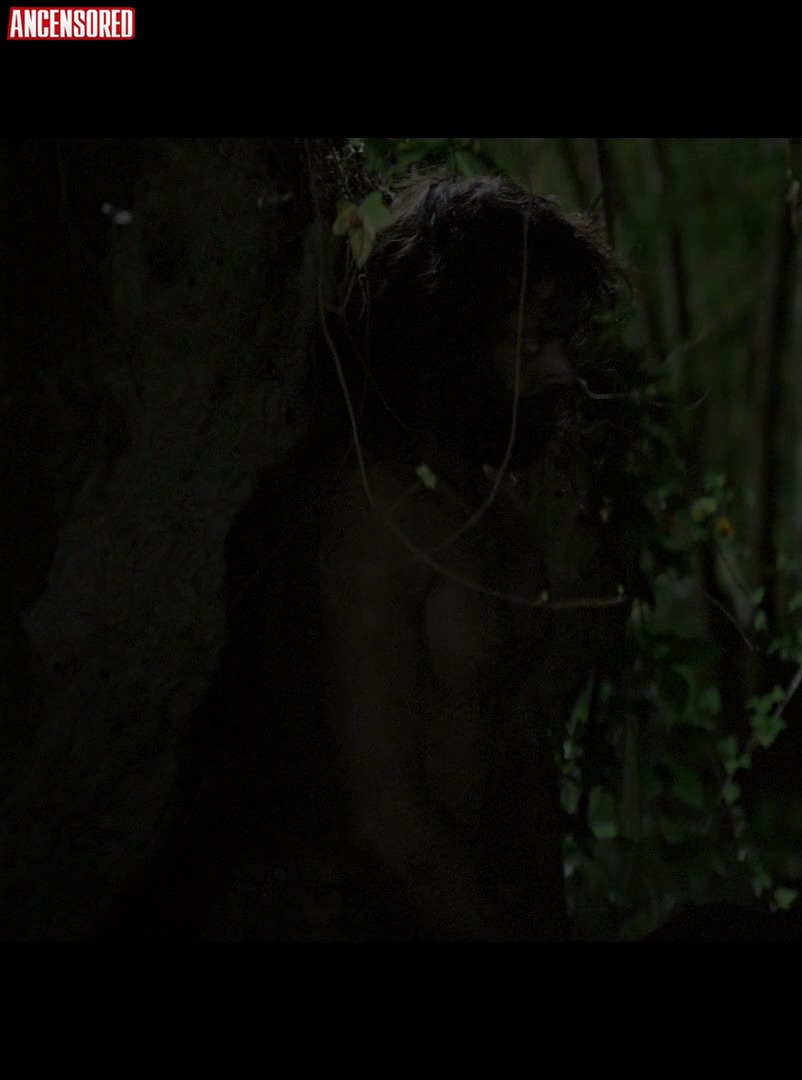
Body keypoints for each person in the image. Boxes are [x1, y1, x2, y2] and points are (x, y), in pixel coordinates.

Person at [102, 173, 620, 940]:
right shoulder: (368, 517)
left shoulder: (485, 509)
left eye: (564, 341)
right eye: (533, 341)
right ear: (454, 337)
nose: (562, 372)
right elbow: (381, 824)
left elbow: (519, 752)